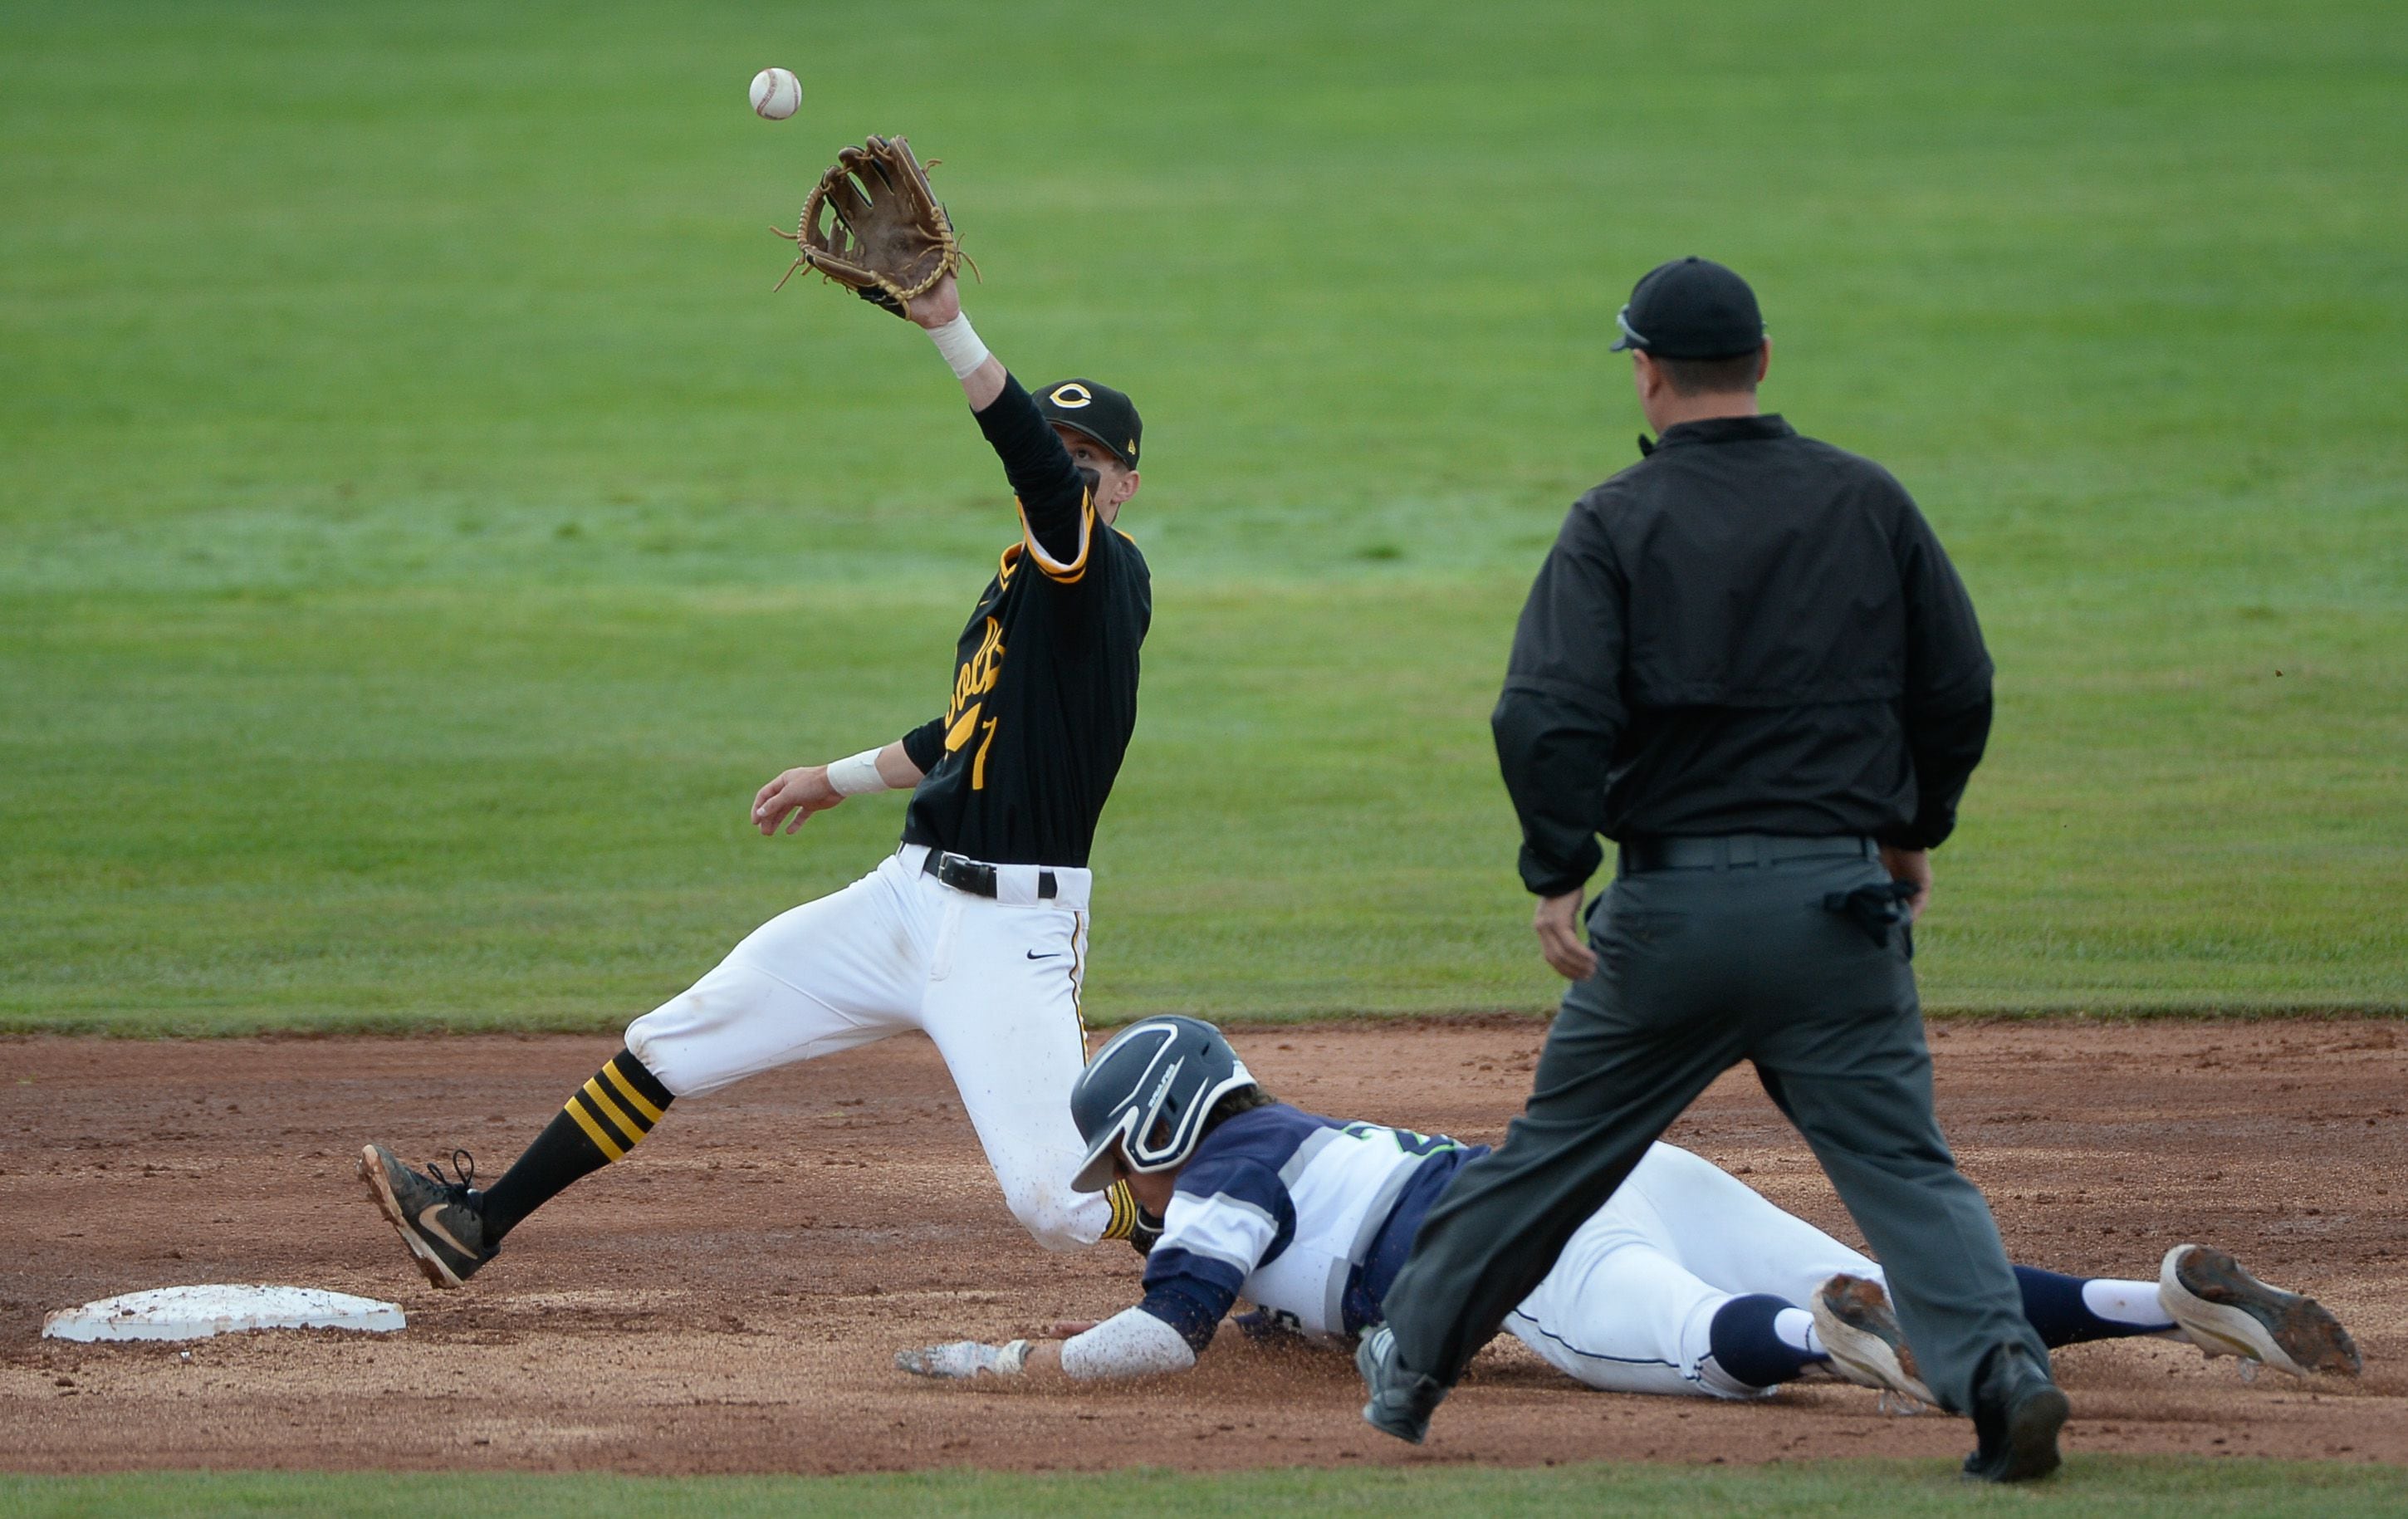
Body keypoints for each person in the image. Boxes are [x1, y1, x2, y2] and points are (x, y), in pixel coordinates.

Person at [1357, 256, 2070, 1481]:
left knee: (1555, 1153)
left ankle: (1411, 1368)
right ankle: (2002, 1373)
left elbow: (1542, 714)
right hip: (1839, 908)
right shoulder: (1868, 501)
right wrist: (1910, 835)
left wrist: (1557, 867)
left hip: (1674, 916)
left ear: (1644, 373)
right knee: (1903, 1164)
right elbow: (1960, 688)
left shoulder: (1614, 522)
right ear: (1765, 361)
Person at [359, 267, 1160, 1286]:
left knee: (1053, 1200)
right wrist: (832, 776)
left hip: (1013, 932)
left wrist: (949, 328)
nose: (1073, 468)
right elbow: (955, 735)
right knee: (674, 1036)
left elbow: (1031, 467)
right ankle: (474, 1223)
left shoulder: (1096, 574)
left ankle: (1232, 1252)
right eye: (1067, 450)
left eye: (1093, 459)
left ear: (1126, 485)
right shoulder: (1017, 588)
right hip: (904, 902)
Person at [892, 1018, 2362, 1402]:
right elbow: (1290, 1298)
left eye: (1121, 1168)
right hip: (1625, 1166)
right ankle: (2156, 1297)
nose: (1127, 1197)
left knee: (1694, 1345)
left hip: (1526, 1250)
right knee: (1893, 1271)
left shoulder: (1217, 1181)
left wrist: (1005, 1360)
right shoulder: (1294, 1134)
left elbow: (1166, 1339)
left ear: (1158, 1128)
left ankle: (1813, 1334)